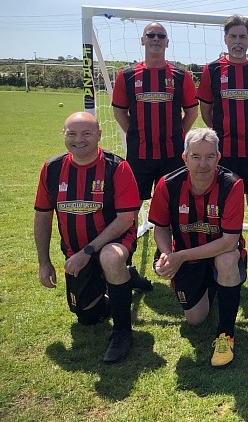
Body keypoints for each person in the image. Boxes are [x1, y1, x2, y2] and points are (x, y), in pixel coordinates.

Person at [34, 112, 140, 363]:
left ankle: (123, 331)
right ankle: (124, 280)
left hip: (114, 241)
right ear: (63, 134)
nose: (78, 140)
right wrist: (44, 262)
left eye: (86, 133)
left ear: (99, 136)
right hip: (75, 249)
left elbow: (125, 219)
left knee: (111, 258)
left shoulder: (117, 167)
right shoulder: (52, 168)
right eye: (72, 133)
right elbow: (42, 216)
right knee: (87, 316)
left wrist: (87, 253)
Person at [148, 128, 246, 368]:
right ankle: (213, 287)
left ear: (218, 157)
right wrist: (166, 255)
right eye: (195, 157)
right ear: (185, 158)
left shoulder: (232, 184)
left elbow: (229, 241)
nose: (203, 164)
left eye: (210, 156)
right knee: (195, 320)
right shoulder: (168, 184)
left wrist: (179, 256)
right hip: (186, 256)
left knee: (226, 261)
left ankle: (225, 334)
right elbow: (160, 227)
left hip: (217, 253)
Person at [197, 14, 248, 283]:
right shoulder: (212, 70)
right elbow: (206, 110)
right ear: (225, 39)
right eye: (233, 36)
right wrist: (221, 134)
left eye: (243, 36)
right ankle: (224, 255)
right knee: (220, 208)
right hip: (224, 153)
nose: (238, 41)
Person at [112, 22, 199, 200]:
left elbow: (191, 112)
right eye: (151, 35)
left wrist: (178, 133)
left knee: (172, 203)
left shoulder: (181, 76)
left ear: (167, 42)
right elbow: (119, 112)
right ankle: (132, 230)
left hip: (172, 153)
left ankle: (168, 230)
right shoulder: (127, 75)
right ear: (142, 40)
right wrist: (135, 133)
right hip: (139, 153)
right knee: (132, 203)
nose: (156, 39)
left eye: (161, 36)